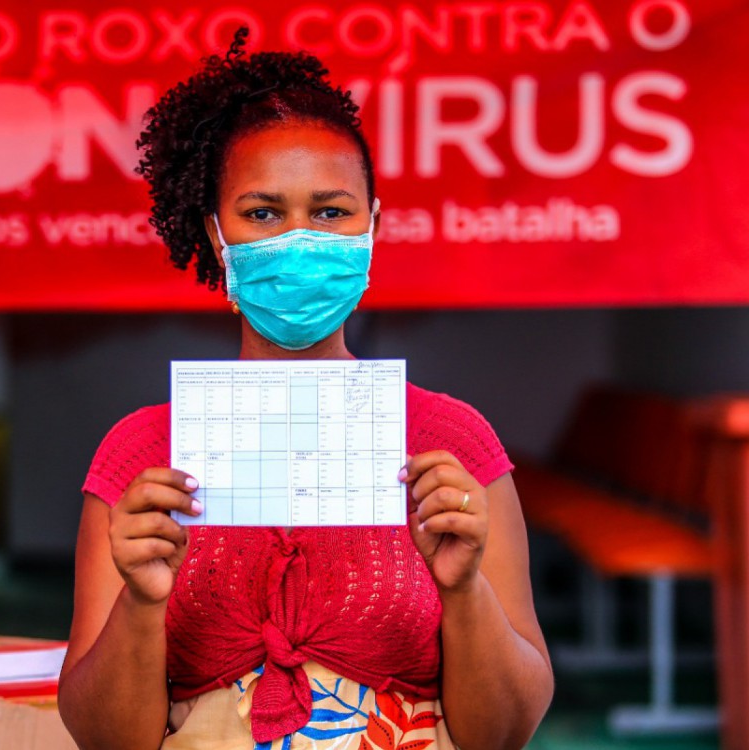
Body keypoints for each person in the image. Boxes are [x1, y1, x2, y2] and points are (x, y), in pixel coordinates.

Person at [59, 30, 553, 750]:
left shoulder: (453, 446)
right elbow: (104, 741)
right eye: (262, 213)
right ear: (216, 236)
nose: (299, 238)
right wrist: (140, 602)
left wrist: (464, 589)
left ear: (373, 229)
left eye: (331, 212)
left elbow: (504, 734)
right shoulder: (141, 457)